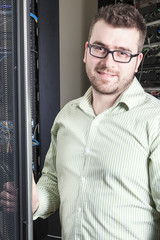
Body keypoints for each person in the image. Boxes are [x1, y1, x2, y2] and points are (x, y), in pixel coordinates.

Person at [33, 3, 160, 240]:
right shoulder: (67, 116)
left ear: (137, 61)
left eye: (122, 52)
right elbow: (52, 182)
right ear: (86, 51)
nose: (108, 63)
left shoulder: (155, 121)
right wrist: (34, 201)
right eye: (100, 48)